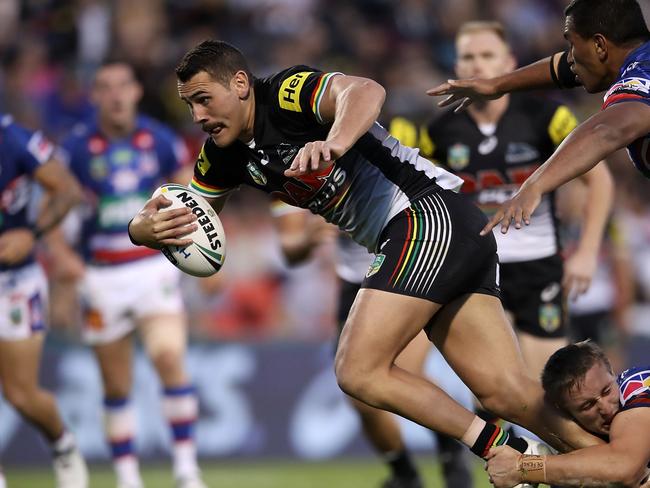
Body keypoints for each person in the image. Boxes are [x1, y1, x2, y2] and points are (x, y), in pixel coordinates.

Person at [128, 39, 607, 460]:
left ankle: (503, 448)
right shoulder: (222, 156)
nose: (198, 116)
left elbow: (366, 92)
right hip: (450, 230)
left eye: (204, 100)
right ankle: (619, 464)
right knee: (508, 394)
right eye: (189, 105)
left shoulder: (286, 93)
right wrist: (142, 230)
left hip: (425, 214)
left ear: (239, 83)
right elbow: (187, 216)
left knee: (357, 369)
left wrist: (334, 142)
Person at [414, 20, 614, 382]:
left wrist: (586, 251)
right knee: (490, 387)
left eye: (487, 55)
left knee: (552, 383)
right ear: (456, 66)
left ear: (508, 62)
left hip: (539, 266)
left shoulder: (547, 118)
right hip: (478, 269)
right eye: (468, 57)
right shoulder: (437, 131)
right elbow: (430, 199)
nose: (477, 65)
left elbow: (598, 179)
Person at [56, 60, 205, 488]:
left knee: (169, 357)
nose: (117, 95)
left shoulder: (159, 140)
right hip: (101, 277)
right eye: (106, 87)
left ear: (137, 92)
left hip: (150, 269)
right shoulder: (77, 149)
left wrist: (195, 240)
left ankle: (186, 470)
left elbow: (186, 195)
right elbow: (58, 209)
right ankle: (127, 477)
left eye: (124, 85)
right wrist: (63, 263)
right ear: (95, 96)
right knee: (116, 383)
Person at [272, 204, 473, 488]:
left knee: (405, 371)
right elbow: (290, 249)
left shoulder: (381, 159)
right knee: (358, 393)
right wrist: (309, 238)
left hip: (409, 266)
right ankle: (404, 473)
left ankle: (451, 448)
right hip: (355, 280)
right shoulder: (283, 170)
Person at [427, 0, 650, 236]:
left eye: (572, 44)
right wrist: (496, 85)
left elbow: (606, 130)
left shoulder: (641, 75)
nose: (570, 57)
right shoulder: (631, 57)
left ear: (599, 45)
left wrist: (535, 185)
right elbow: (561, 69)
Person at [0, 114, 88, 487]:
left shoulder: (12, 138)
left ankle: (62, 443)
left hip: (14, 279)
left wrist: (32, 233)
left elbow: (66, 189)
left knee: (20, 394)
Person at [485, 341, 650, 487]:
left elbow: (625, 467)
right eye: (588, 405)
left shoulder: (637, 385)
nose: (606, 409)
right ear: (565, 412)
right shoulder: (573, 447)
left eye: (607, 391)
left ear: (612, 373)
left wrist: (522, 468)